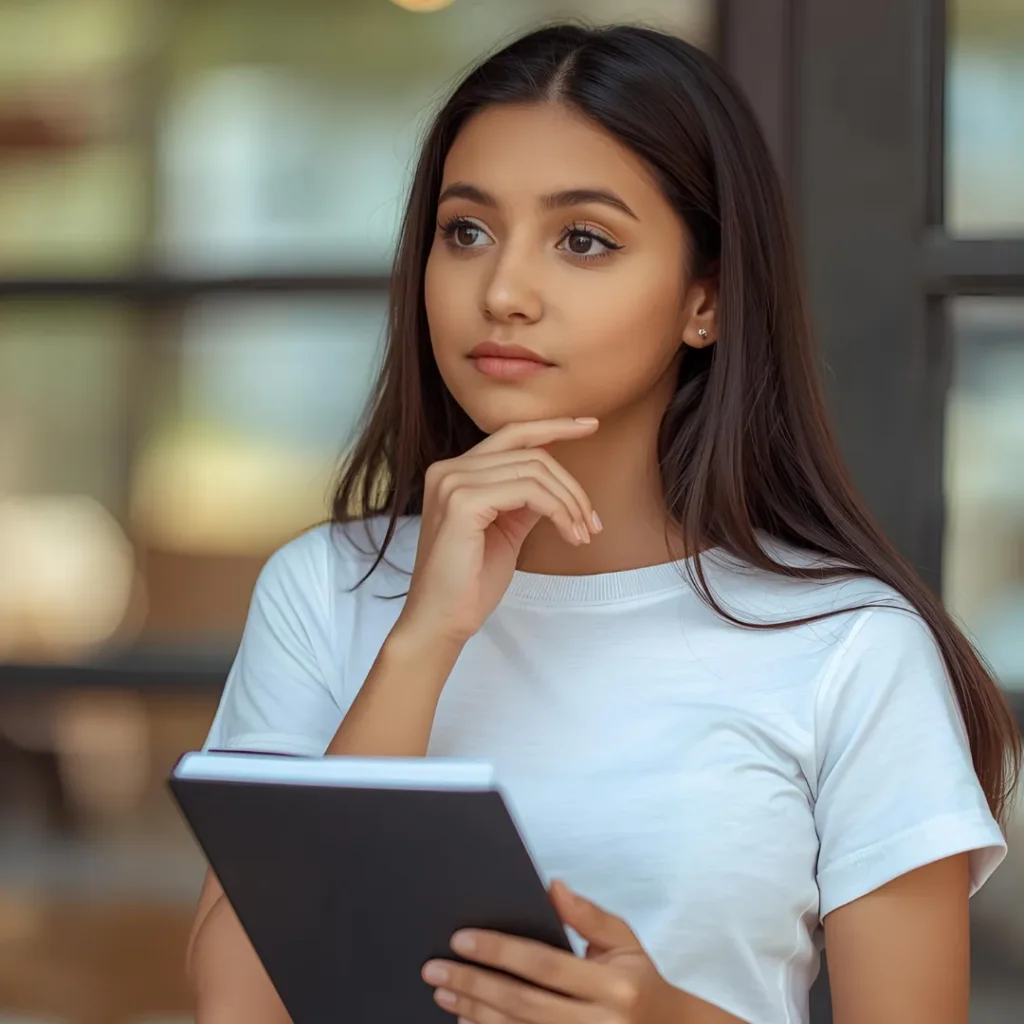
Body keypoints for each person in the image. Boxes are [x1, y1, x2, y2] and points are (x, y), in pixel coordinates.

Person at [185, 23, 1021, 1024]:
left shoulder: (850, 648)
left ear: (706, 300)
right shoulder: (324, 590)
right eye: (466, 231)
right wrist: (422, 640)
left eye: (583, 239)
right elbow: (238, 1006)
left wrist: (665, 1018)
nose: (503, 292)